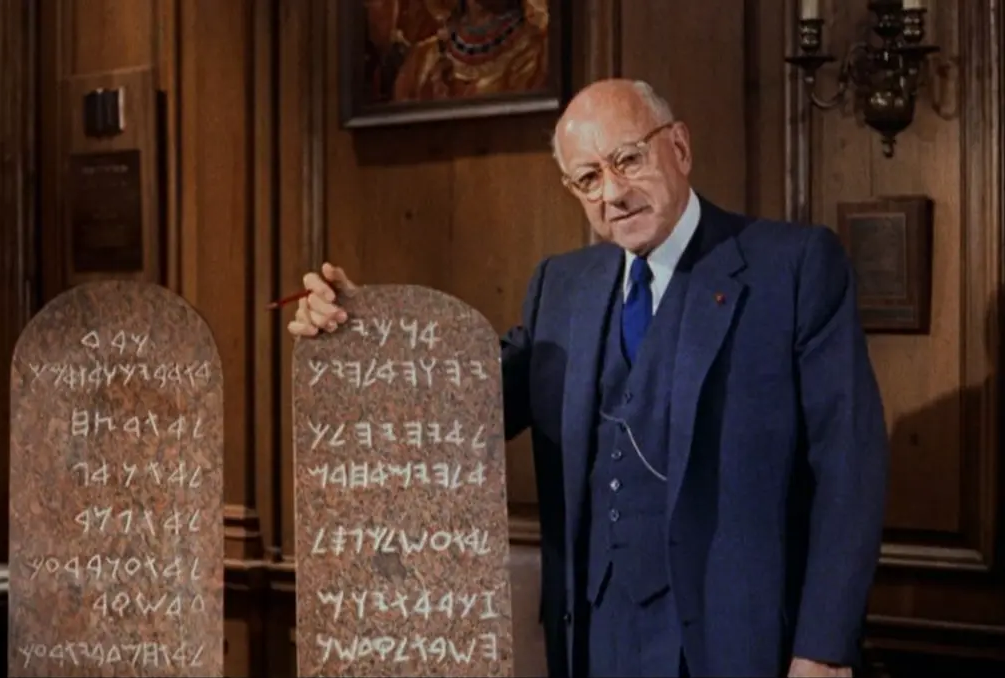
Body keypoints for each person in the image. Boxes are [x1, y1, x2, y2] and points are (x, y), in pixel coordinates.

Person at [287, 79, 887, 678]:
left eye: (628, 160)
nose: (614, 194)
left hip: (739, 645)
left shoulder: (792, 267)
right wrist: (363, 333)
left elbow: (850, 469)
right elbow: (462, 403)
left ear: (679, 147)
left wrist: (825, 650)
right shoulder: (561, 287)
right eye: (589, 179)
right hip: (593, 643)